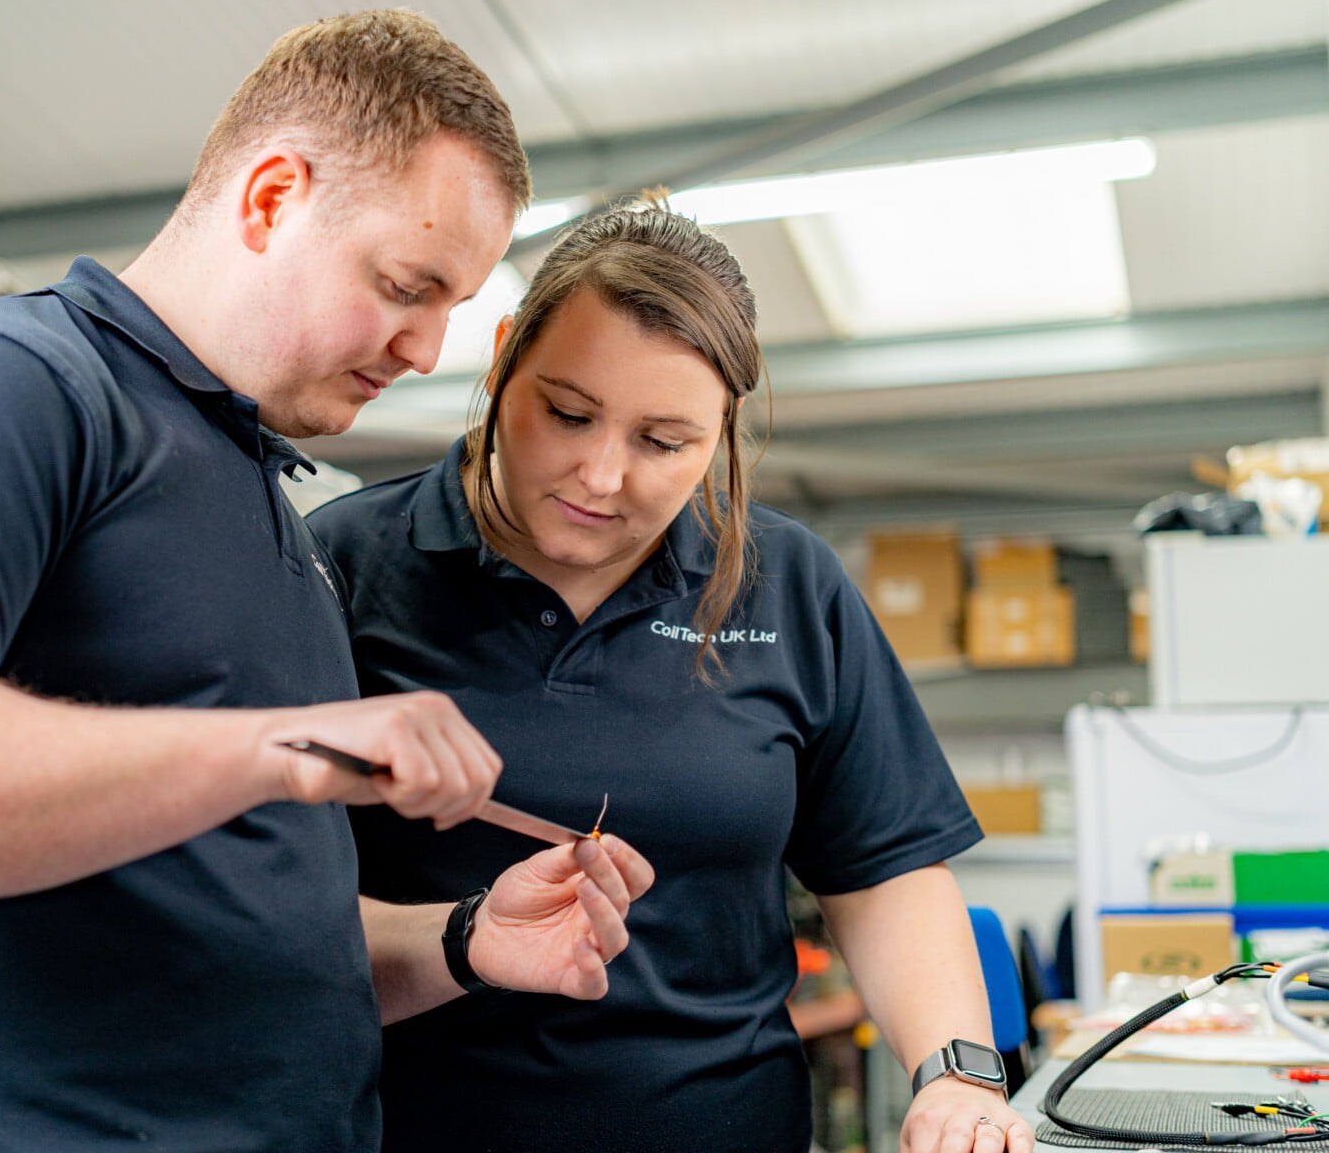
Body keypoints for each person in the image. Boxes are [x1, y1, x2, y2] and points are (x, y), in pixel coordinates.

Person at [0, 10, 652, 1153]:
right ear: (271, 198)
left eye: (451, 310)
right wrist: (288, 748)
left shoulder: (263, 501)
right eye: (408, 286)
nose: (426, 350)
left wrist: (462, 939)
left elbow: (240, 930)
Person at [308, 199, 1034, 1153]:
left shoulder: (788, 584)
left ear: (721, 428)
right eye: (567, 414)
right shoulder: (342, 567)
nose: (601, 476)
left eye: (663, 442)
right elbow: (269, 906)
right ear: (501, 360)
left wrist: (955, 1076)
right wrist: (464, 937)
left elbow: (886, 868)